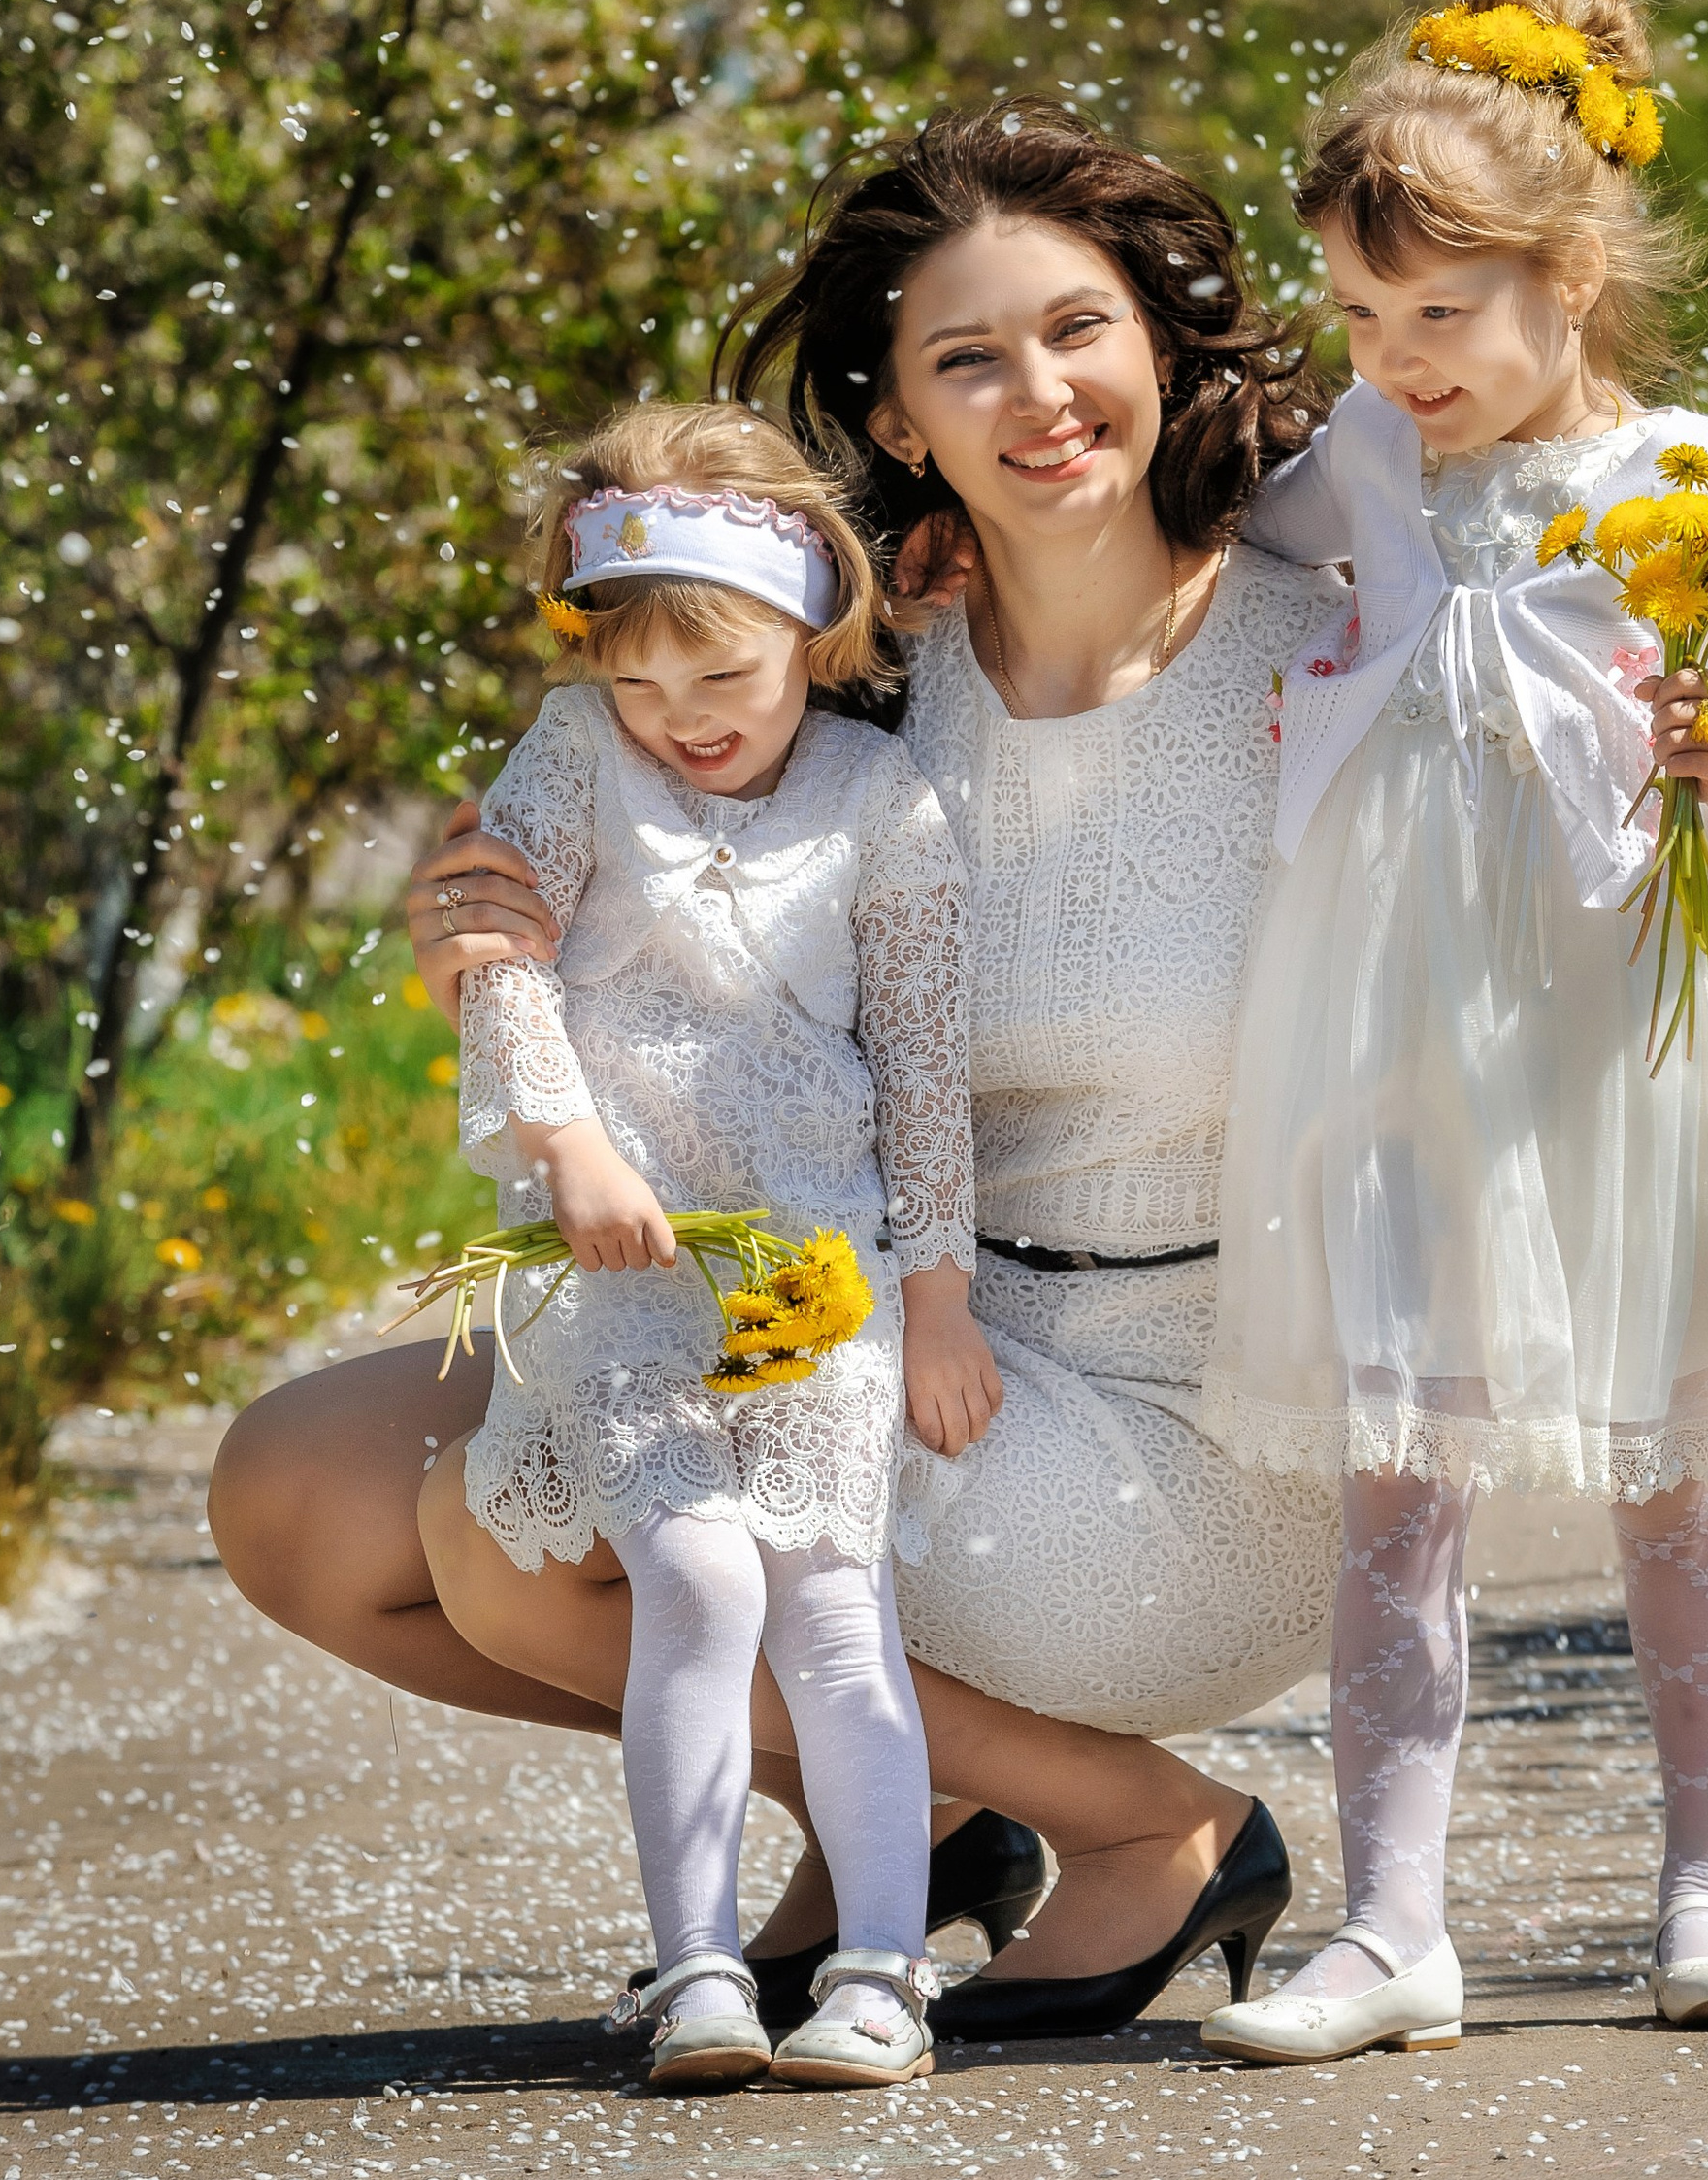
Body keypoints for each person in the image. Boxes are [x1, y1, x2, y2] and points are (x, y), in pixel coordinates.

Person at [208, 108, 1342, 2041]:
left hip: (1189, 1428)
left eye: (1078, 329)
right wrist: (495, 939)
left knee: (514, 1539)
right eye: (965, 357)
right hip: (869, 1306)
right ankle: (917, 1801)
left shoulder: (1320, 659)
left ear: (1155, 340)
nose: (1038, 394)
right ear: (897, 421)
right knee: (294, 1495)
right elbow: (650, 885)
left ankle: (1155, 1827)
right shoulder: (873, 671)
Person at [1194, 0, 1708, 2064]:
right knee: (1398, 1478)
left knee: (1679, 1479)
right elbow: (1208, 546)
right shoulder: (1357, 461)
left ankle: (1706, 1889)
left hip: (1636, 1038)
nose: (1397, 361)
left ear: (1569, 272)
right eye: (1356, 314)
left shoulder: (1698, 470)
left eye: (1440, 314)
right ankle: (1388, 1922)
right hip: (1409, 1030)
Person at [443, 398, 993, 2088]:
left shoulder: (879, 796)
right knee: (689, 1574)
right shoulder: (568, 756)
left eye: (725, 681)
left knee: (833, 1598)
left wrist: (940, 1298)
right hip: (631, 1266)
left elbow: (920, 1063)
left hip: (813, 1266)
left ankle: (885, 1971)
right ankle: (694, 1971)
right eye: (643, 686)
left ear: (810, 635)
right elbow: (499, 959)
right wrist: (572, 1147)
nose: (682, 721)